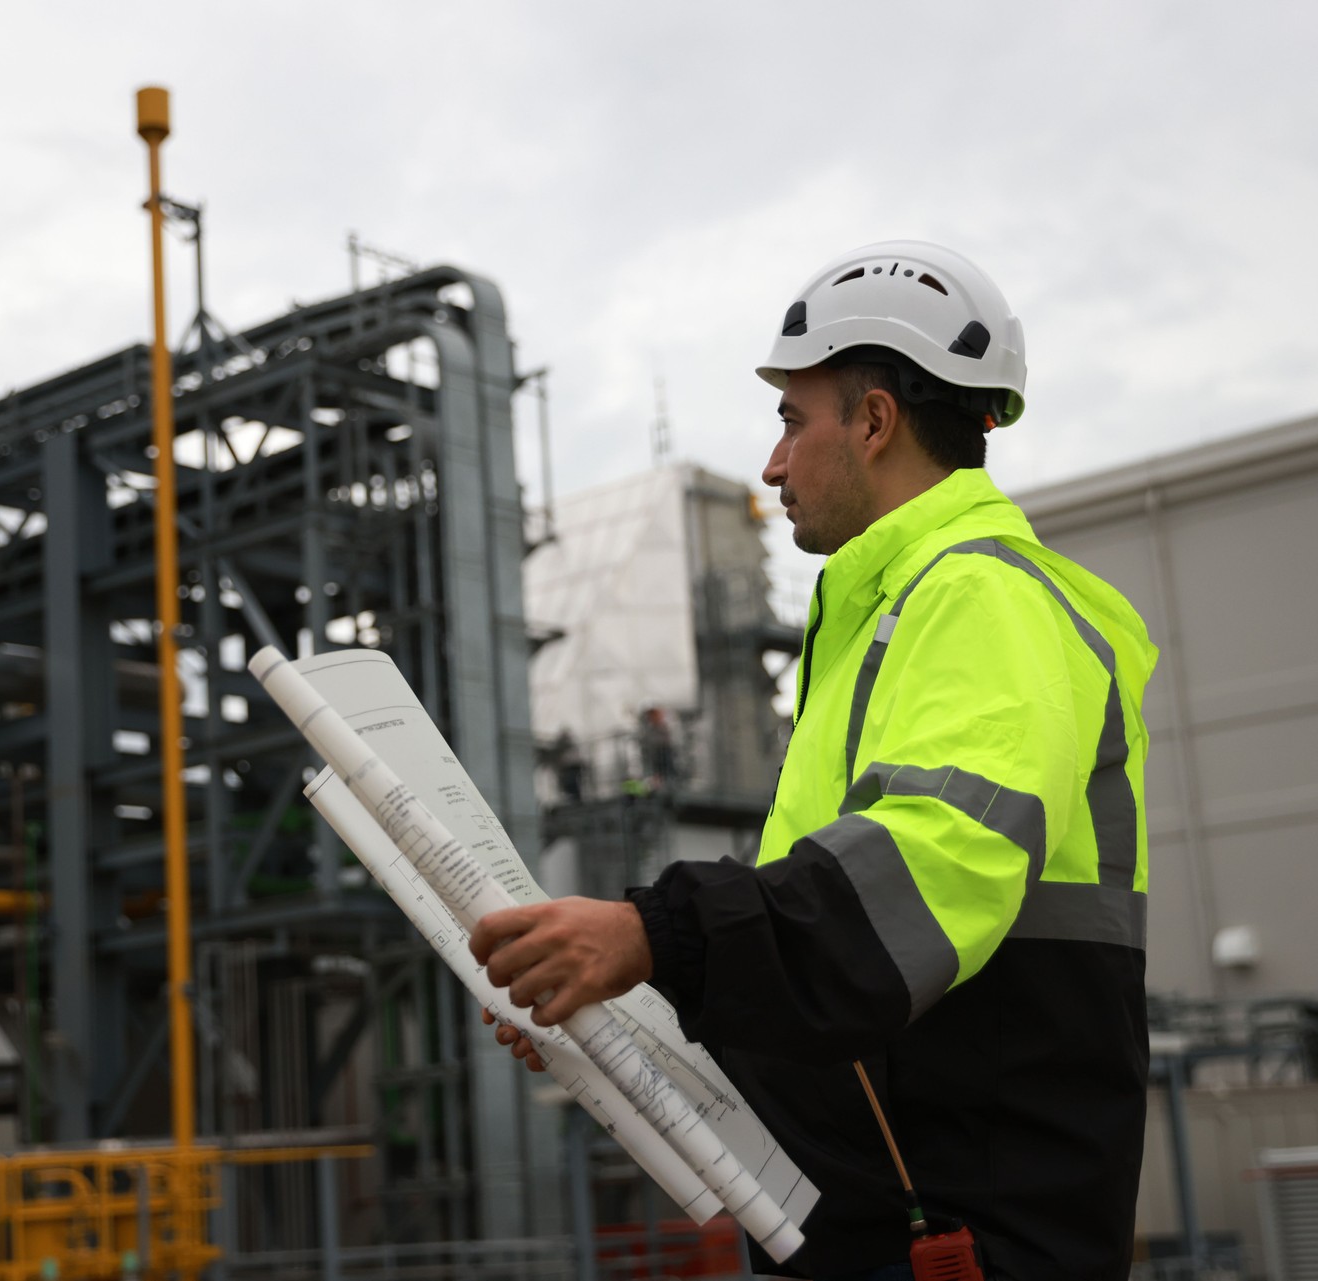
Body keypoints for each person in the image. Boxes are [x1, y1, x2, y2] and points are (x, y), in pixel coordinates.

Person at [469, 241, 1157, 1280]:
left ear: (875, 421)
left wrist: (657, 934)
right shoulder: (885, 618)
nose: (773, 463)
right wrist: (620, 1007)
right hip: (882, 1228)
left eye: (793, 420)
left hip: (966, 1242)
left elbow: (917, 890)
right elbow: (830, 985)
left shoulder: (981, 599)